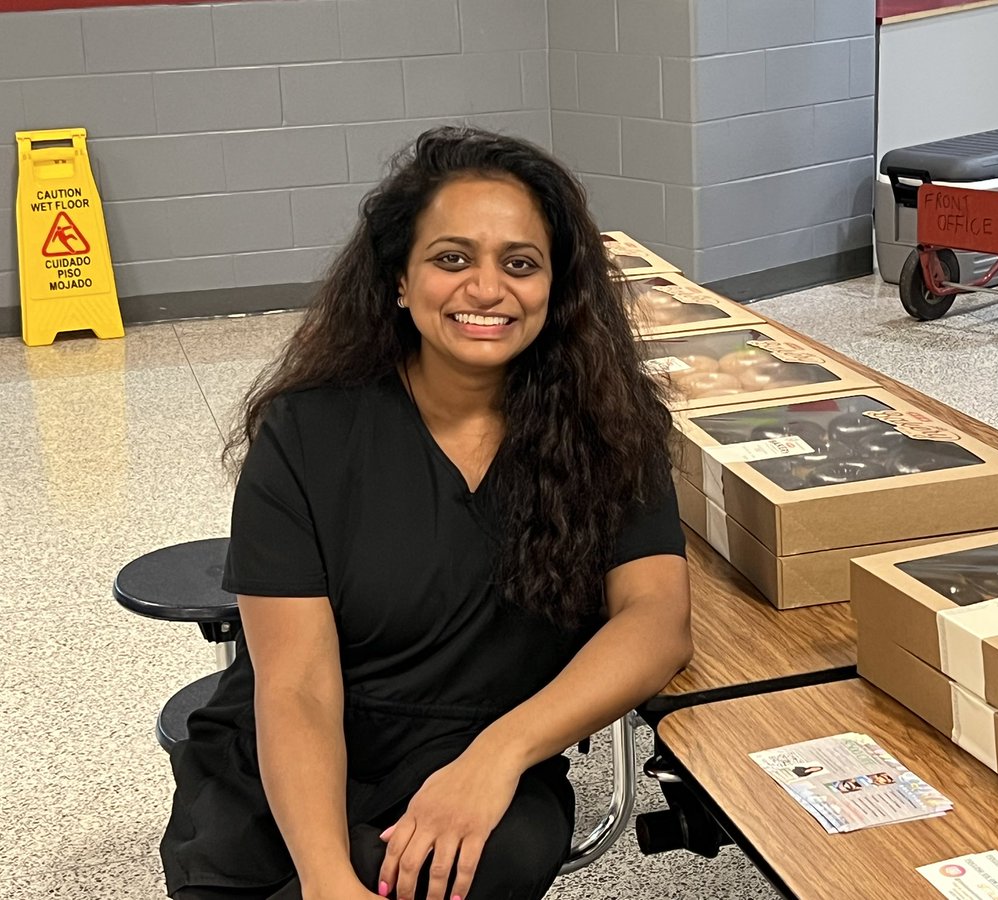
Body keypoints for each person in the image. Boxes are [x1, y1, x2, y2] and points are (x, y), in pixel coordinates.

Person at [160, 127, 693, 900]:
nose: (486, 289)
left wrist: (498, 756)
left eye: (519, 263)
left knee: (469, 867)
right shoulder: (308, 432)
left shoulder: (606, 428)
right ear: (400, 282)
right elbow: (297, 686)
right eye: (452, 259)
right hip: (292, 769)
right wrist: (325, 879)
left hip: (483, 757)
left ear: (557, 287)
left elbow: (656, 621)